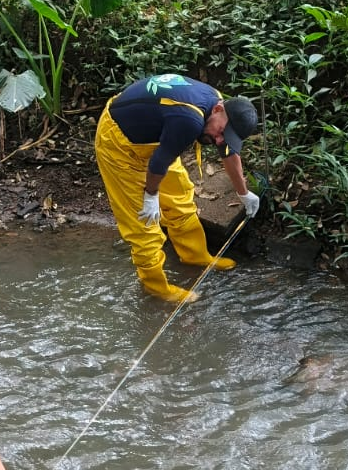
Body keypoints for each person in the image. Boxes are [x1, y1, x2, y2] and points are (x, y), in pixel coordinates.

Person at [95, 73, 261, 304]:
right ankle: (156, 287)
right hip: (119, 144)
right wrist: (150, 196)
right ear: (218, 109)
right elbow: (158, 164)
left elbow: (227, 152)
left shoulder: (215, 106)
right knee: (144, 222)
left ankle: (195, 255)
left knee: (180, 200)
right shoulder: (189, 120)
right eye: (222, 132)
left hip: (156, 138)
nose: (219, 140)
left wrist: (243, 193)